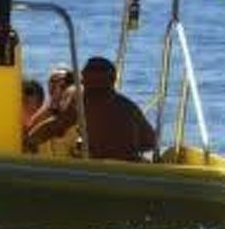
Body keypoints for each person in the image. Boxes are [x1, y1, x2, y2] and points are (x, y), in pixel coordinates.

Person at [27, 56, 156, 161]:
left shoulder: (81, 100)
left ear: (83, 79)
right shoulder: (129, 106)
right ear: (113, 80)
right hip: (130, 170)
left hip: (100, 171)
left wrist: (29, 141)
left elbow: (55, 127)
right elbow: (150, 142)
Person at [23, 67, 74, 153]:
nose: (57, 85)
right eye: (52, 81)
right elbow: (27, 133)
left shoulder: (79, 119)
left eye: (65, 82)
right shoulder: (41, 115)